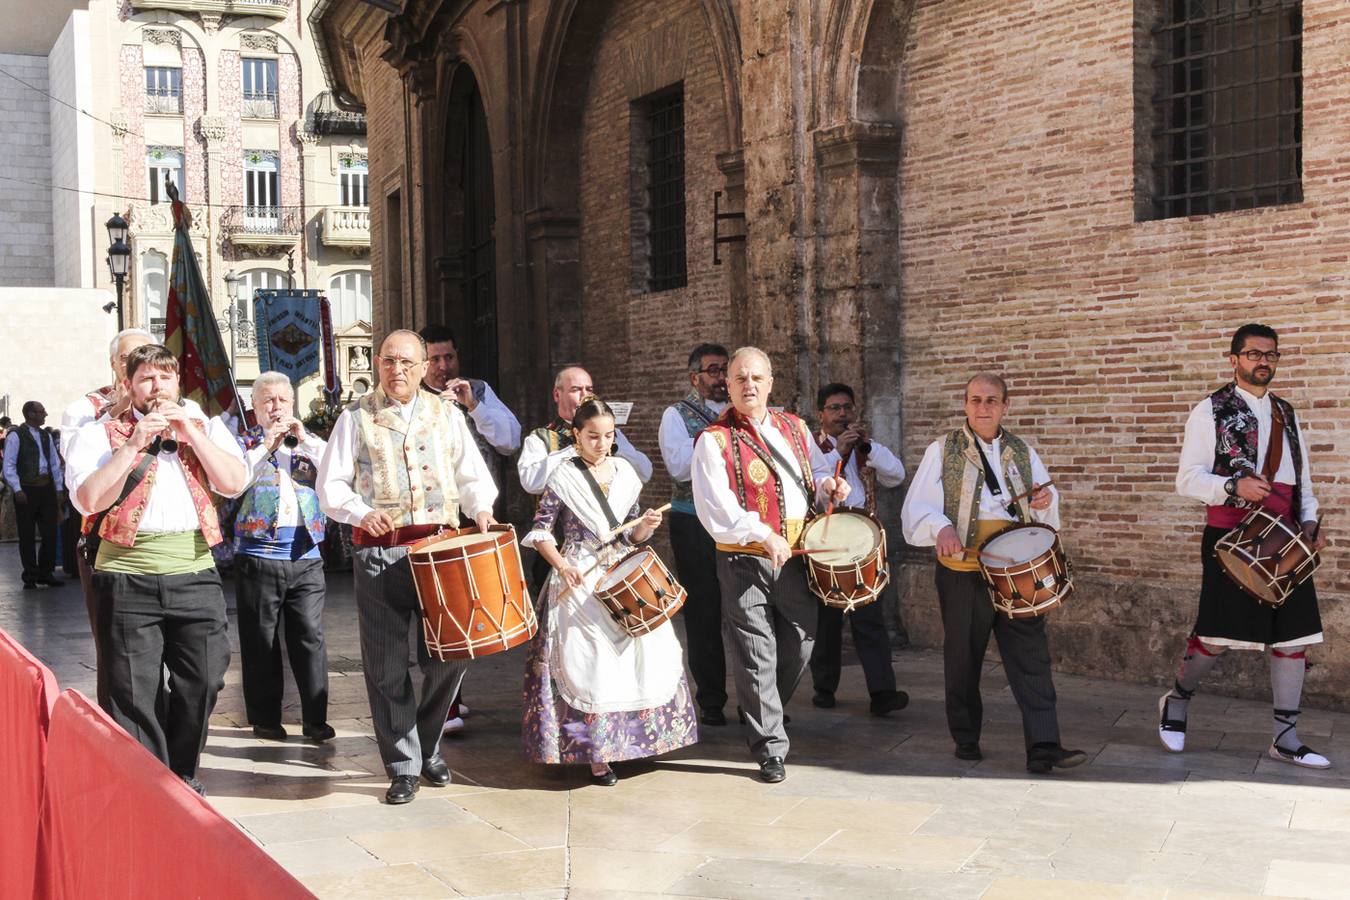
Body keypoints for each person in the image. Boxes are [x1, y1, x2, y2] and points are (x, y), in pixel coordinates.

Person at [318, 330, 499, 805]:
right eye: (388, 361)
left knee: (453, 652)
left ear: (423, 368)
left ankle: (427, 740)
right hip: (380, 552)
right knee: (385, 663)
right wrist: (360, 512)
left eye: (406, 362)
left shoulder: (447, 413)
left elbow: (471, 473)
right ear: (378, 364)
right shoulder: (355, 416)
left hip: (441, 550)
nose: (396, 370)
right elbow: (331, 485)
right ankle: (403, 764)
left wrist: (481, 509)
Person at [66, 344, 249, 794]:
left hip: (195, 572)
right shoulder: (97, 435)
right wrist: (132, 445)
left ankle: (183, 769)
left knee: (205, 679)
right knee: (132, 690)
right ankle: (150, 787)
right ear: (127, 386)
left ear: (178, 384)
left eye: (165, 378)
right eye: (146, 378)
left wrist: (195, 435)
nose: (157, 387)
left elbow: (234, 482)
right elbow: (88, 501)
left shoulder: (204, 426)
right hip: (126, 576)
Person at [1163, 324, 1329, 768]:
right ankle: (1176, 702)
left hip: (1285, 536)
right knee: (1217, 636)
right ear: (1233, 358)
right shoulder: (1209, 410)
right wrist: (1234, 485)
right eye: (1254, 353)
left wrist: (1310, 519)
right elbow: (1187, 480)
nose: (1264, 361)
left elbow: (1302, 479)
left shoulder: (1286, 413)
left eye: (1271, 355)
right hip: (1231, 537)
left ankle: (1285, 737)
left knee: (1294, 638)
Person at [901, 372, 1085, 774]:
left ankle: (1044, 746)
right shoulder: (942, 449)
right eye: (975, 400)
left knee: (1031, 657)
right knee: (963, 656)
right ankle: (966, 737)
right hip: (963, 568)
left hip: (1015, 569)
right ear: (965, 404)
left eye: (991, 400)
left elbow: (1044, 513)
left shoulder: (1022, 451)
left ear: (1006, 405)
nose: (982, 407)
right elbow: (918, 506)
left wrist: (1045, 499)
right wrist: (941, 527)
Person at [691, 347, 849, 783]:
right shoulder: (714, 439)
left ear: (771, 381)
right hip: (744, 558)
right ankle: (770, 747)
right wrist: (762, 534)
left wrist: (829, 486)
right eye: (740, 378)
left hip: (796, 557)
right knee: (755, 651)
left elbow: (813, 478)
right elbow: (715, 507)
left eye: (757, 378)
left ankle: (761, 708)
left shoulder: (795, 428)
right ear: (730, 385)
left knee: (801, 641)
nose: (749, 386)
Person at [521, 397, 698, 785]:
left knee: (644, 655)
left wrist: (647, 526)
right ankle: (598, 753)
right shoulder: (562, 476)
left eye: (608, 436)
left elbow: (632, 532)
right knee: (592, 663)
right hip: (579, 576)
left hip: (622, 569)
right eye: (593, 436)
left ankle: (635, 743)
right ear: (576, 435)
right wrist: (562, 566)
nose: (602, 443)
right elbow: (540, 531)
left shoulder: (626, 473)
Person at [419, 323, 522, 733]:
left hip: (477, 517)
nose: (443, 367)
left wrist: (474, 407)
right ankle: (447, 704)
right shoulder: (414, 398)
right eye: (435, 359)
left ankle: (453, 697)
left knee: (475, 611)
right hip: (435, 519)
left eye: (449, 357)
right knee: (443, 613)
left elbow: (510, 440)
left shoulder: (477, 390)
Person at [232, 372, 334, 744]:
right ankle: (265, 719)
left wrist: (304, 438)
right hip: (258, 556)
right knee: (261, 640)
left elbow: (338, 470)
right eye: (268, 402)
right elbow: (232, 483)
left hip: (306, 555)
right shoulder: (243, 444)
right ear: (255, 407)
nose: (277, 408)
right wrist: (265, 446)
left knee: (309, 636)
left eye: (283, 401)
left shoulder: (309, 444)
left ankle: (315, 719)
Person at [809, 382, 909, 716]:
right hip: (825, 542)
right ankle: (824, 687)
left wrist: (867, 447)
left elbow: (896, 475)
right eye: (834, 408)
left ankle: (883, 693)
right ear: (821, 414)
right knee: (827, 621)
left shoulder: (866, 448)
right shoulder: (811, 447)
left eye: (847, 408)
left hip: (864, 543)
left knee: (870, 619)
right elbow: (814, 485)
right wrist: (837, 451)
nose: (841, 414)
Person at [658, 343, 732, 727]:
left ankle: (761, 701)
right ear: (695, 378)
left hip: (737, 522)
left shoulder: (744, 413)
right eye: (713, 370)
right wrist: (718, 434)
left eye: (725, 370)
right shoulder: (678, 415)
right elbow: (679, 467)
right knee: (704, 610)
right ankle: (712, 699)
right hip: (694, 523)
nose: (721, 378)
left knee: (745, 609)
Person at [518, 366, 652, 495]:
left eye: (589, 389)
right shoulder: (540, 438)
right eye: (575, 389)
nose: (584, 395)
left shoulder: (612, 434)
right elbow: (531, 483)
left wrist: (616, 446)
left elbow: (645, 474)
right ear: (557, 395)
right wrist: (575, 449)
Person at [4, 401, 65, 589]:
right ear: (30, 414)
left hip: (46, 488)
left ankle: (46, 573)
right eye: (41, 412)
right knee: (27, 534)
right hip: (27, 489)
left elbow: (54, 464)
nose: (45, 414)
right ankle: (30, 575)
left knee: (49, 533)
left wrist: (58, 488)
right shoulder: (16, 436)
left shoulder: (46, 436)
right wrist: (17, 489)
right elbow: (9, 465)